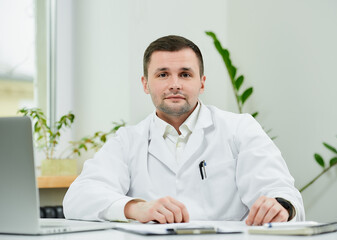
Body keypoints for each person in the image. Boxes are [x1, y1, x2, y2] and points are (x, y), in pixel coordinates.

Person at [63, 35, 305, 226]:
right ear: (145, 84)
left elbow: (282, 192)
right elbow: (77, 198)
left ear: (201, 82)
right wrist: (136, 208)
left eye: (185, 74)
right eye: (163, 74)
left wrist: (280, 206)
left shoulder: (239, 128)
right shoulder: (127, 140)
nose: (175, 84)